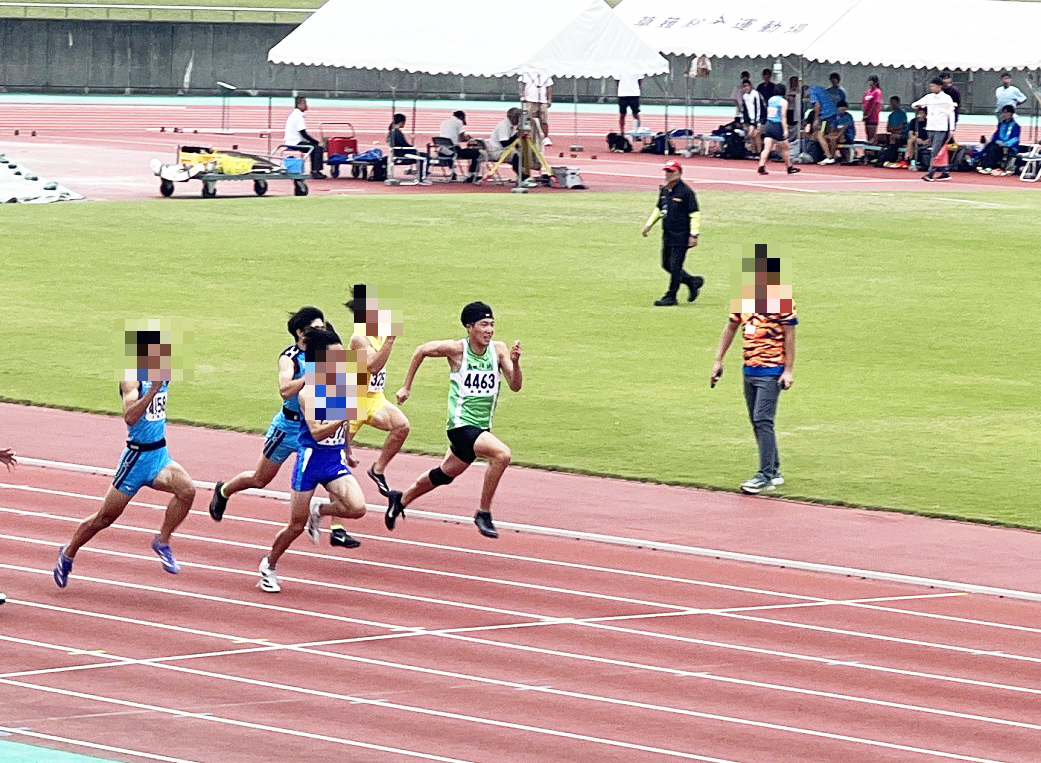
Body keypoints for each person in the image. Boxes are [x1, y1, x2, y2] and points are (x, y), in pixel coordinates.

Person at [54, 329, 196, 588]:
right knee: (104, 518)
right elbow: (130, 417)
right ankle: (68, 552)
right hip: (136, 460)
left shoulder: (163, 374)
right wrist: (152, 390)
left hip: (159, 455)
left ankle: (161, 541)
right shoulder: (132, 380)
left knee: (187, 491)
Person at [385, 302, 522, 540]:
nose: (489, 330)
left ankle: (401, 499)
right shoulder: (456, 349)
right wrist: (406, 386)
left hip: (481, 428)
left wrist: (515, 362)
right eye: (484, 325)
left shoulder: (498, 351)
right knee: (502, 455)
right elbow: (421, 350)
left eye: (492, 325)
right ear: (470, 327)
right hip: (460, 426)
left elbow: (516, 385)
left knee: (444, 475)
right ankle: (483, 512)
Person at [258, 327, 368, 593]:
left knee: (357, 508)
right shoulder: (309, 393)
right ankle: (269, 565)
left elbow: (346, 424)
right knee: (295, 525)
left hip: (333, 460)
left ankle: (319, 510)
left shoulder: (344, 384)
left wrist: (348, 450)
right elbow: (317, 432)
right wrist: (345, 414)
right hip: (310, 462)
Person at [209, 306, 326, 523]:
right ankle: (224, 490)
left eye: (323, 327)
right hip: (288, 428)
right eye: (315, 328)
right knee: (260, 478)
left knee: (330, 474)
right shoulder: (290, 357)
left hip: (312, 427)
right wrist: (311, 377)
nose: (322, 332)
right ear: (301, 332)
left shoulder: (326, 353)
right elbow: (285, 390)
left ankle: (335, 526)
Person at [711, 246, 797, 495]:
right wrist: (718, 360)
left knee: (762, 419)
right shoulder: (744, 298)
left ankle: (765, 474)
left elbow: (790, 336)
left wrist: (788, 370)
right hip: (749, 369)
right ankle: (774, 469)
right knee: (758, 421)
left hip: (771, 370)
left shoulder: (781, 301)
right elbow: (731, 327)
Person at [343, 284, 410, 508]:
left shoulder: (381, 333)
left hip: (373, 397)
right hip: (350, 400)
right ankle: (336, 523)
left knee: (402, 426)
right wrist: (390, 341)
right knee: (339, 461)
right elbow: (372, 366)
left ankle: (377, 469)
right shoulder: (359, 338)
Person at [641, 161, 704, 307]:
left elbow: (695, 214)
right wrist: (649, 225)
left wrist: (694, 235)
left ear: (679, 174)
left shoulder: (686, 192)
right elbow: (659, 209)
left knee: (675, 266)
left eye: (672, 172)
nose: (668, 175)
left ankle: (671, 296)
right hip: (668, 233)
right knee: (666, 264)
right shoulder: (665, 190)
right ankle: (692, 281)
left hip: (681, 235)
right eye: (667, 172)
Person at [912, 77, 956, 181]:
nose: (931, 88)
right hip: (931, 127)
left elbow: (951, 114)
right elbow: (915, 104)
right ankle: (945, 172)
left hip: (941, 128)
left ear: (939, 87)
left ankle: (931, 173)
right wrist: (917, 105)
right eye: (931, 86)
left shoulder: (946, 98)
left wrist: (952, 129)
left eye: (933, 86)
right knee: (935, 150)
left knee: (935, 151)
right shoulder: (929, 97)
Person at [758, 85, 799, 176]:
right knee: (785, 147)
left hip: (769, 124)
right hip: (777, 125)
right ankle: (789, 167)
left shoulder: (771, 100)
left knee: (767, 148)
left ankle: (761, 165)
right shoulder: (783, 102)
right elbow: (783, 116)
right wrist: (785, 130)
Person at [283, 96, 325, 180]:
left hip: (294, 141)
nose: (307, 105)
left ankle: (315, 170)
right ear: (299, 104)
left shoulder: (296, 114)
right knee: (317, 148)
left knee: (314, 147)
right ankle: (315, 171)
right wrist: (317, 142)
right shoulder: (297, 115)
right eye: (305, 103)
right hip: (294, 142)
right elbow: (303, 134)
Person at [438, 110, 482, 183]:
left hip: (442, 150)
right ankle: (472, 175)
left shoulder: (444, 122)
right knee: (477, 153)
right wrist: (470, 139)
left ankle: (453, 173)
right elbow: (461, 138)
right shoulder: (459, 122)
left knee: (452, 151)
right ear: (461, 117)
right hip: (454, 150)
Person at [388, 114, 431, 185]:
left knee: (423, 155)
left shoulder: (393, 131)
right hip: (403, 154)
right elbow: (403, 145)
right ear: (402, 122)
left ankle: (421, 175)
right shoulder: (396, 132)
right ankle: (421, 177)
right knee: (424, 157)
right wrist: (413, 148)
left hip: (400, 152)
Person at [977, 106, 1021, 175]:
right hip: (998, 144)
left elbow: (1015, 138)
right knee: (990, 146)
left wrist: (1005, 144)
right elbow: (996, 136)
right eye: (1004, 113)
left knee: (994, 148)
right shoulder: (1001, 124)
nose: (1006, 114)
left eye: (1007, 113)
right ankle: (983, 164)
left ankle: (989, 166)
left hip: (1009, 146)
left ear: (1011, 114)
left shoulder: (1015, 126)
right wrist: (992, 141)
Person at [519, 71, 553, 146]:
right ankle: (531, 136)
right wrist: (523, 96)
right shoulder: (526, 73)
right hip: (530, 99)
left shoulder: (546, 74)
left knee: (544, 120)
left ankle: (546, 137)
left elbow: (549, 87)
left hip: (542, 100)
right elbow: (522, 85)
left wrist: (549, 99)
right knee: (530, 119)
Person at [818, 100, 855, 165]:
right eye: (841, 107)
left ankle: (831, 157)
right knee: (827, 137)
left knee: (833, 138)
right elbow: (833, 128)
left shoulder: (848, 117)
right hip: (837, 134)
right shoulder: (836, 117)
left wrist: (837, 136)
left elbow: (845, 128)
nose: (842, 108)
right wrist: (830, 134)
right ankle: (830, 155)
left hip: (847, 136)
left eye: (844, 107)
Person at [488, 108, 522, 174]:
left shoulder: (511, 125)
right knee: (517, 155)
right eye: (518, 117)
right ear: (513, 117)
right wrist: (516, 136)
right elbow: (504, 143)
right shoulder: (504, 126)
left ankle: (522, 176)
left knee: (523, 153)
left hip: (504, 149)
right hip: (497, 151)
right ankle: (522, 177)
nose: (519, 120)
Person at [740, 80, 766, 155]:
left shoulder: (755, 94)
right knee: (751, 135)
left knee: (756, 135)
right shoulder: (744, 96)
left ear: (751, 86)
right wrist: (744, 121)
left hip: (759, 119)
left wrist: (758, 122)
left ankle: (759, 152)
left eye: (747, 86)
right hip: (750, 120)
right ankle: (754, 152)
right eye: (744, 86)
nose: (746, 88)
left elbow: (759, 108)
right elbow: (744, 110)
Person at [862, 76, 883, 142]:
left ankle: (872, 150)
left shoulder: (877, 92)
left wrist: (869, 114)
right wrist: (864, 114)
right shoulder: (867, 92)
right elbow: (864, 103)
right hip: (866, 117)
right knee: (867, 135)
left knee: (872, 136)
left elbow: (875, 104)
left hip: (873, 117)